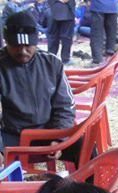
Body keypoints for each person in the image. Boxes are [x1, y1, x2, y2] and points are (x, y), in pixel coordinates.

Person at [0, 11, 75, 161]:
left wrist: (59, 137)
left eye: (28, 46)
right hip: (11, 135)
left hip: (47, 132)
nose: (22, 51)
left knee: (87, 148)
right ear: (6, 42)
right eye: (15, 46)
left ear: (36, 43)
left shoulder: (52, 63)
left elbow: (65, 106)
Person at [88, 0, 117, 65]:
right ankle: (110, 55)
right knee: (111, 32)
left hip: (97, 6)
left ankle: (97, 59)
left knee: (97, 34)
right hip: (112, 6)